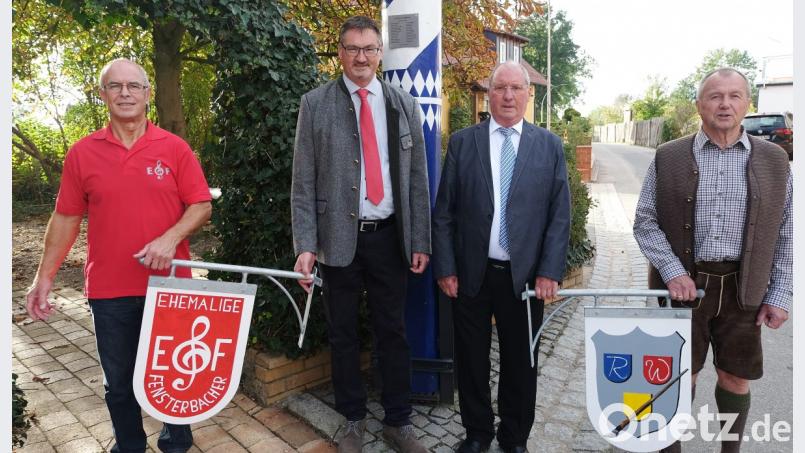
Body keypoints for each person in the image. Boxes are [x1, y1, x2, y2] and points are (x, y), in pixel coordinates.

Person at [25, 58, 213, 453]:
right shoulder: (82, 153)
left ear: (147, 94)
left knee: (174, 371)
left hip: (171, 285)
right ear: (103, 94)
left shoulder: (174, 148)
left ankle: (176, 441)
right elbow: (65, 217)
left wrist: (169, 238)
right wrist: (44, 277)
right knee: (120, 381)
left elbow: (200, 205)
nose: (125, 93)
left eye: (133, 86)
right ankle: (129, 445)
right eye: (115, 86)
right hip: (110, 289)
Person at [290, 15, 431, 453]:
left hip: (390, 238)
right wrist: (306, 245)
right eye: (353, 48)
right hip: (337, 240)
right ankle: (352, 419)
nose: (362, 57)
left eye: (370, 48)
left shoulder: (403, 103)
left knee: (393, 331)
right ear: (340, 53)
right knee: (343, 334)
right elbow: (303, 182)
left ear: (380, 53)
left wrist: (420, 240)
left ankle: (398, 421)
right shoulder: (315, 104)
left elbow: (417, 179)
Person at [633, 67, 792, 453]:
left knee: (736, 376)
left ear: (746, 103)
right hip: (683, 287)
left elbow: (787, 231)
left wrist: (780, 294)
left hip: (744, 287)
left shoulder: (774, 160)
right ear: (699, 105)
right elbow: (645, 221)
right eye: (715, 96)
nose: (725, 104)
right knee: (677, 377)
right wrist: (671, 271)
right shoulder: (668, 156)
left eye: (735, 95)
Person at [432, 61, 571, 453]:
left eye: (516, 88)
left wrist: (549, 270)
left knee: (521, 363)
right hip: (472, 274)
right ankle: (477, 433)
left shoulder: (549, 146)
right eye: (500, 88)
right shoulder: (463, 142)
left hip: (526, 278)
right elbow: (444, 212)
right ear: (489, 94)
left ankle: (514, 438)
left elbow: (559, 215)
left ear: (529, 94)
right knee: (472, 360)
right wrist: (446, 267)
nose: (508, 96)